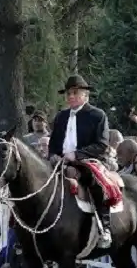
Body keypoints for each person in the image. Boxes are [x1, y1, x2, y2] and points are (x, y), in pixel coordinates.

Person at [47, 75, 113, 248]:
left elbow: (102, 144)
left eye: (75, 93)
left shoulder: (98, 115)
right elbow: (53, 144)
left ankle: (104, 228)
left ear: (86, 95)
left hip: (89, 160)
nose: (70, 96)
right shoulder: (61, 117)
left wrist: (76, 155)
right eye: (68, 93)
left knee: (96, 182)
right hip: (62, 162)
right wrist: (53, 155)